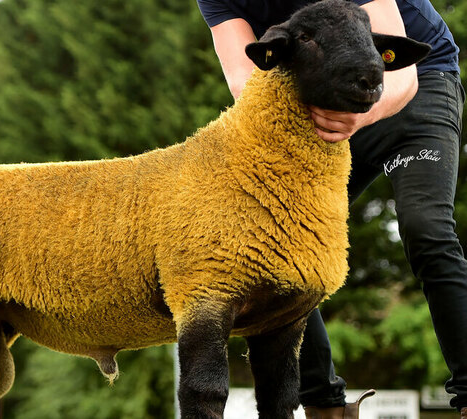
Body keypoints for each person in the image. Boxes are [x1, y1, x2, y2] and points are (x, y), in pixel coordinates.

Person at [196, 0, 467, 417]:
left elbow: (401, 71)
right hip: (318, 101)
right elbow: (244, 78)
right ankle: (324, 406)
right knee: (274, 244)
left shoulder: (405, 72)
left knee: (424, 226)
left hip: (414, 82)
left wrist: (358, 118)